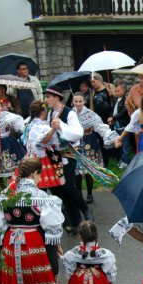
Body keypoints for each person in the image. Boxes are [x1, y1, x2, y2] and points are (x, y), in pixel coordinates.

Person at [43, 85, 93, 234]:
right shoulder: (51, 113)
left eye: (48, 97)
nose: (46, 100)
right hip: (56, 154)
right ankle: (74, 222)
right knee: (61, 188)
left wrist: (61, 125)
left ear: (57, 97)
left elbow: (78, 133)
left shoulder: (69, 113)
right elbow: (49, 132)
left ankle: (85, 209)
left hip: (69, 153)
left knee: (68, 187)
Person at [72, 92, 118, 204]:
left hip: (88, 141)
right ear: (73, 102)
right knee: (76, 170)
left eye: (80, 101)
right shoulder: (70, 113)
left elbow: (100, 126)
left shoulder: (90, 114)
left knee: (88, 169)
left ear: (84, 101)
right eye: (76, 101)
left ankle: (89, 194)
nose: (78, 104)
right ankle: (78, 194)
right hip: (74, 143)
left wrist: (110, 136)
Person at [21, 100, 64, 189]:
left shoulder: (29, 123)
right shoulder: (40, 126)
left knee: (35, 184)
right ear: (43, 112)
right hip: (42, 156)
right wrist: (53, 130)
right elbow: (44, 141)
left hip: (31, 155)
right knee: (44, 184)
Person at [89, 72, 114, 167]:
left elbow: (114, 103)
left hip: (108, 118)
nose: (92, 84)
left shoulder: (109, 88)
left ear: (99, 80)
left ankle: (110, 158)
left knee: (107, 139)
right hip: (98, 120)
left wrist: (112, 116)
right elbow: (91, 106)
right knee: (99, 140)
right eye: (91, 82)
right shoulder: (92, 92)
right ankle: (102, 160)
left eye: (94, 81)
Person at [108, 81, 131, 169]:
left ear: (124, 90)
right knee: (119, 143)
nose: (116, 92)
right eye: (116, 91)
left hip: (123, 125)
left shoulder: (126, 100)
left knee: (125, 144)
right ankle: (121, 159)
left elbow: (123, 113)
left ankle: (126, 161)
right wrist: (110, 117)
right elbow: (113, 110)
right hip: (116, 124)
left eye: (118, 91)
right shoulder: (116, 100)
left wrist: (113, 118)